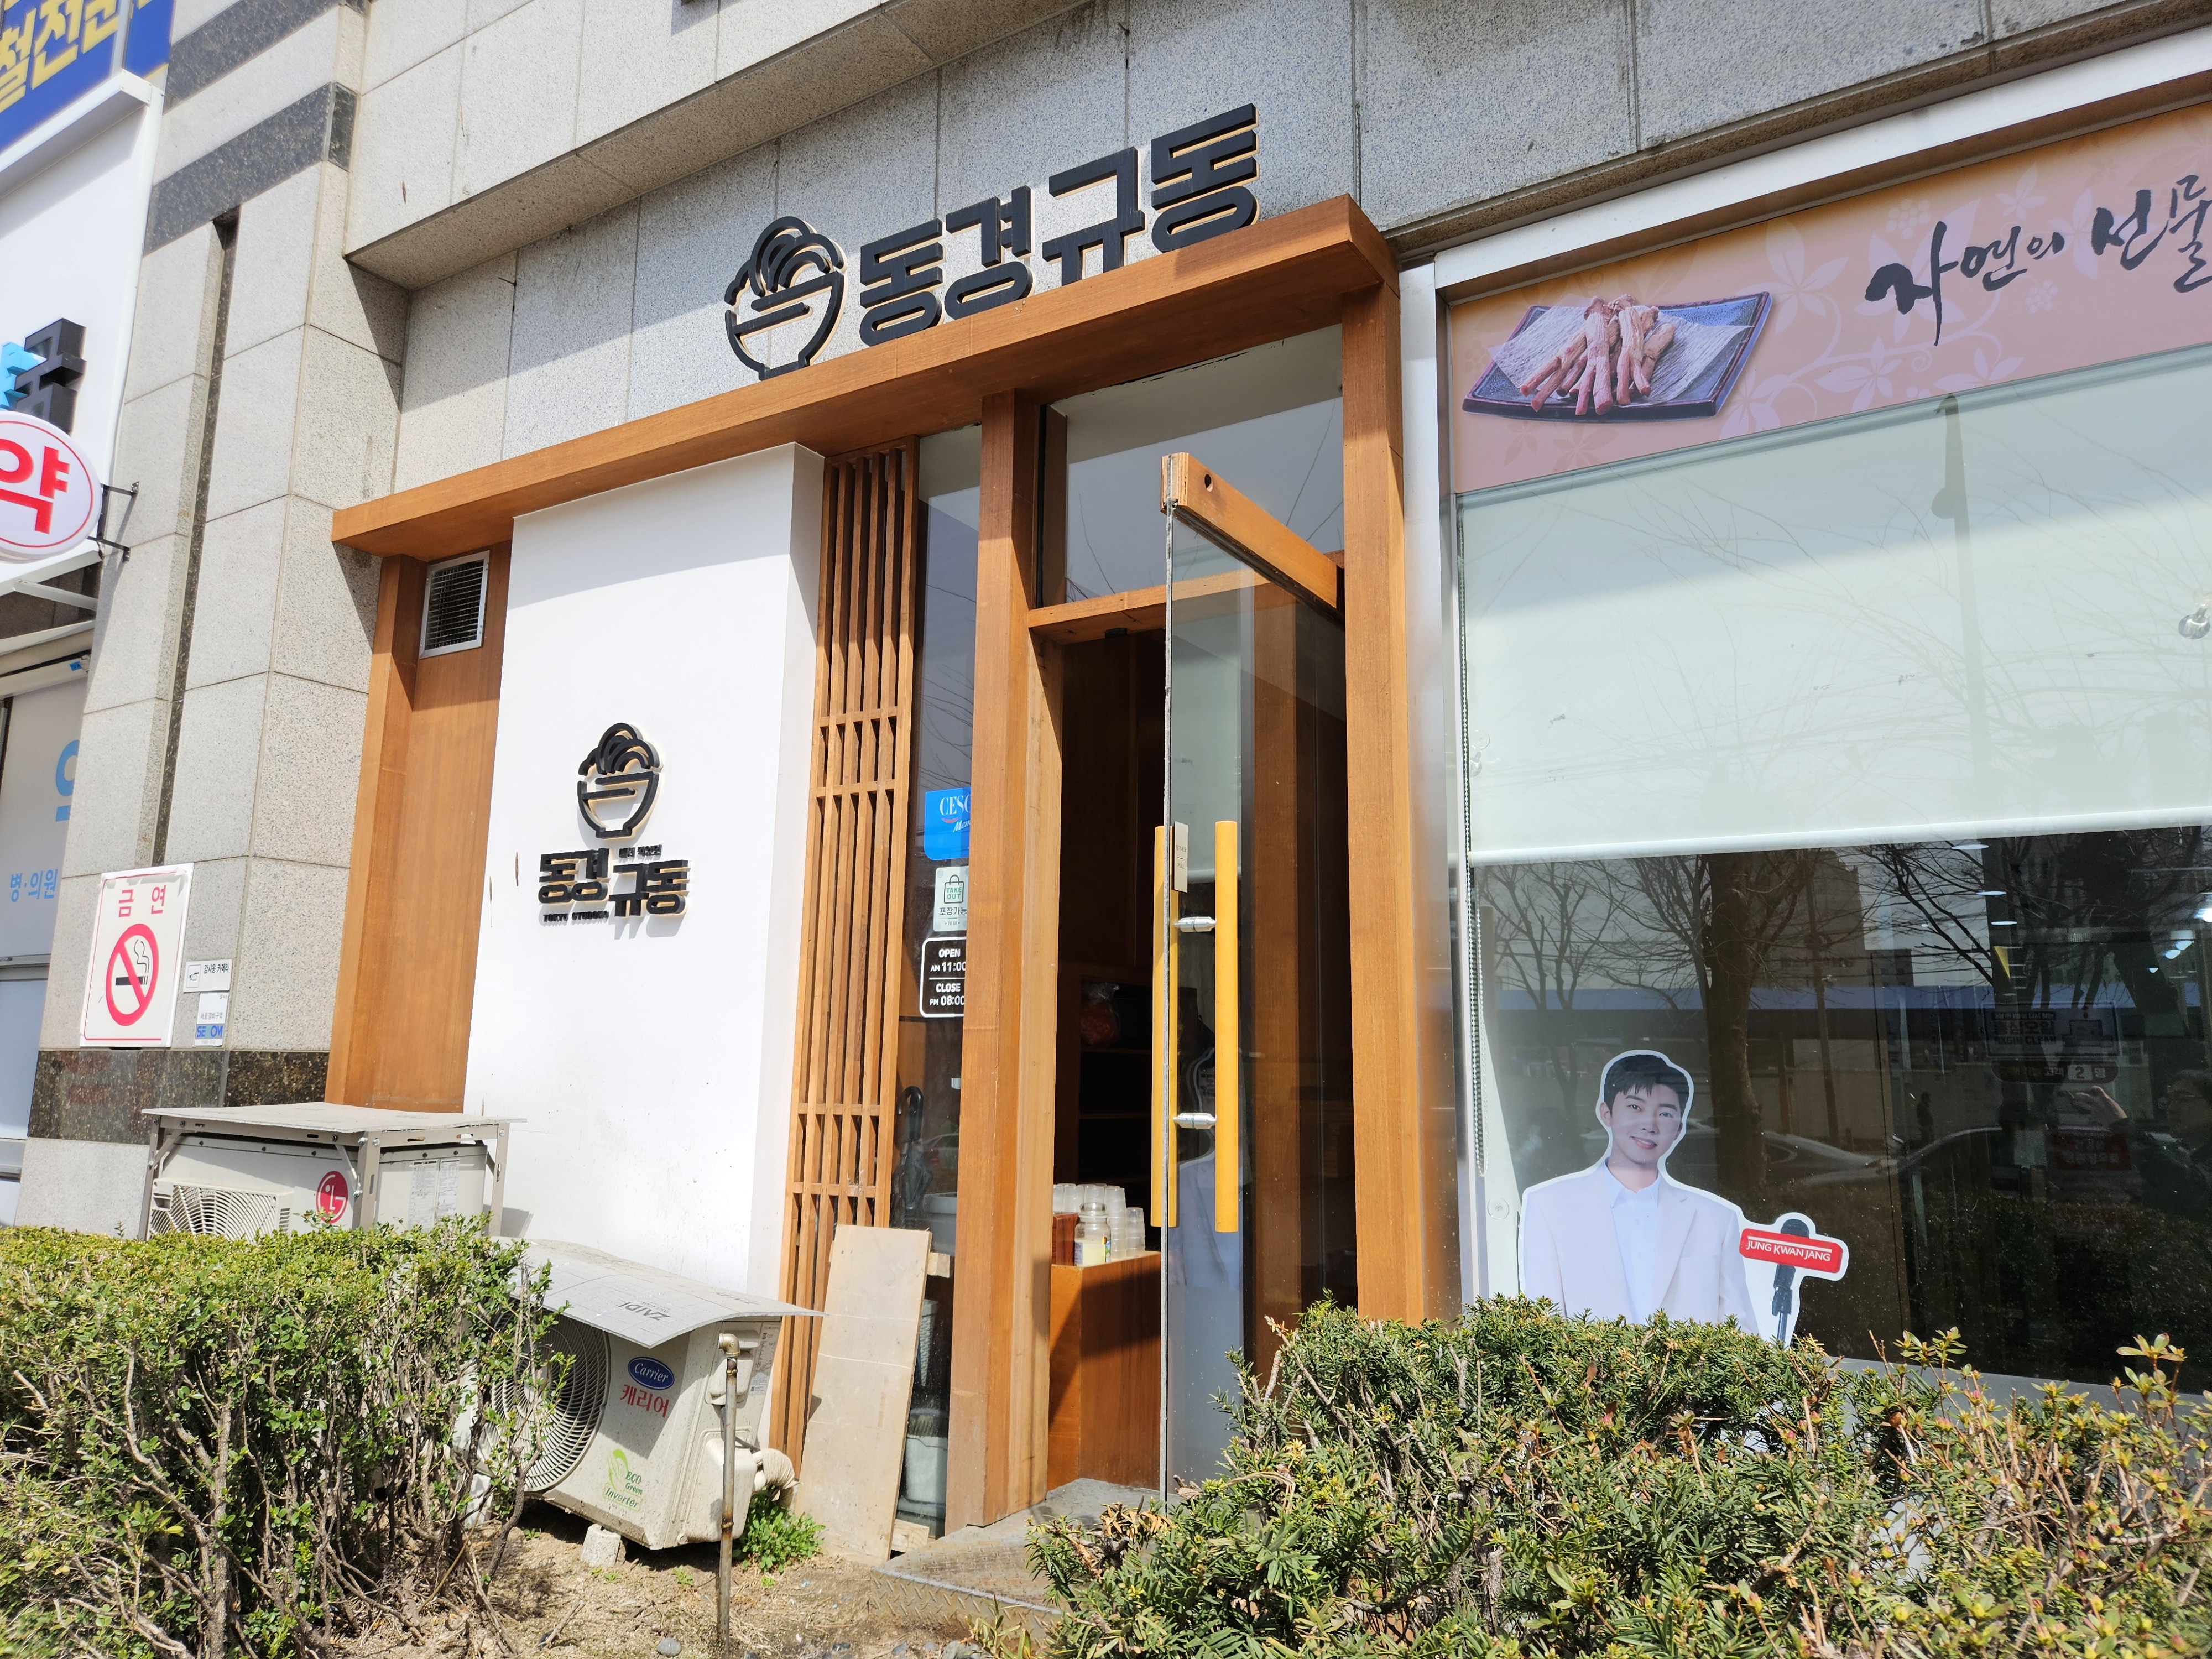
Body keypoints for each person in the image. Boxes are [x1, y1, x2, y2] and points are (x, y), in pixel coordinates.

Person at [1519, 1050, 1759, 1329]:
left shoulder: (1716, 1220)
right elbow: (1544, 1328)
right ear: (1606, 1113)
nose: (1650, 1125)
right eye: (1635, 1107)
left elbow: (1739, 1330)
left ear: (1679, 1128)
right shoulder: (1549, 1207)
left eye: (1665, 1113)